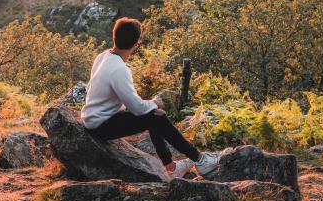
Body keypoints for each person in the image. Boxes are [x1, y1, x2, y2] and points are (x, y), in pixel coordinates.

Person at [81, 17, 219, 179]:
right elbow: (137, 108)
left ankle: (171, 166)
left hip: (95, 117)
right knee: (156, 117)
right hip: (101, 125)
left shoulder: (103, 56)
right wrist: (154, 102)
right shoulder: (119, 69)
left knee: (154, 115)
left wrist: (151, 107)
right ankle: (200, 160)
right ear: (136, 44)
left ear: (114, 36)